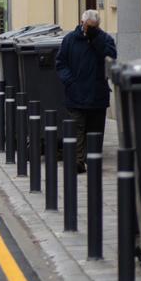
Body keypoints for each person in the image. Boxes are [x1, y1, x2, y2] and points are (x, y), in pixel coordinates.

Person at [56, 9, 117, 172]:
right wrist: (70, 82)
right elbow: (60, 63)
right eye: (88, 26)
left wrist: (96, 39)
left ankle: (93, 160)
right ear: (81, 23)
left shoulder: (105, 39)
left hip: (97, 95)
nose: (89, 29)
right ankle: (78, 161)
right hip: (76, 95)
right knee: (77, 129)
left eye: (94, 27)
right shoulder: (70, 40)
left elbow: (111, 59)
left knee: (96, 132)